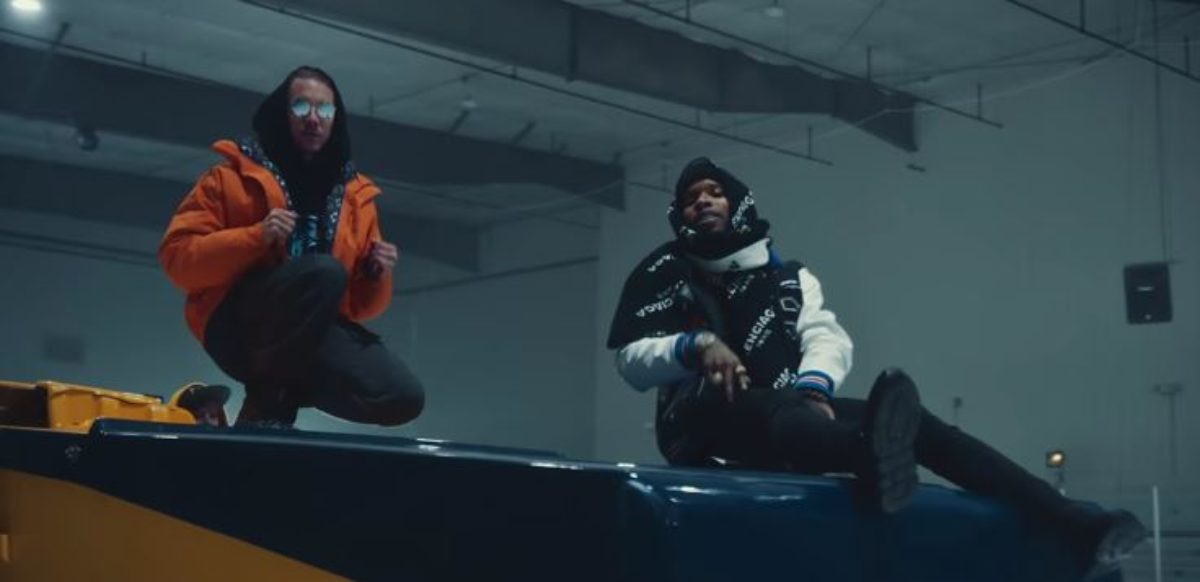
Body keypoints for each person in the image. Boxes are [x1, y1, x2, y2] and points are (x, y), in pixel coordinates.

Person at [607, 157, 1145, 576]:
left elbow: (823, 334)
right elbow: (632, 360)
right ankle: (866, 454)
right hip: (703, 422)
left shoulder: (790, 277)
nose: (703, 201)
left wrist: (816, 389)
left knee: (923, 427)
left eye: (714, 191)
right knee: (780, 406)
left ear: (738, 202)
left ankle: (1077, 524)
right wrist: (695, 345)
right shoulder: (667, 273)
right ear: (680, 216)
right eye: (691, 199)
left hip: (792, 415)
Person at [159, 66, 424, 428]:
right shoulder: (228, 178)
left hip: (304, 335)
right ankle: (268, 403)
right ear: (282, 114)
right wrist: (256, 237)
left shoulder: (355, 197)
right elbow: (178, 260)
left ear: (335, 118)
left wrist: (375, 275)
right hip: (236, 326)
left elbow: (359, 308)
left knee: (402, 397)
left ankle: (282, 394)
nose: (313, 119)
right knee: (323, 272)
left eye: (324, 109)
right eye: (301, 107)